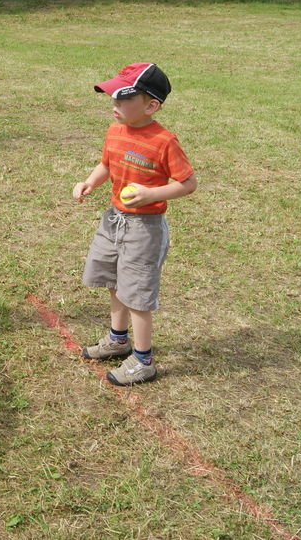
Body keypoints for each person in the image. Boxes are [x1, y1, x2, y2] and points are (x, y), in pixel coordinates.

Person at [72, 63, 197, 386]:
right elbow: (106, 164)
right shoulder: (115, 131)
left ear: (151, 106)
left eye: (124, 98)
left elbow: (188, 183)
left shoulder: (164, 141)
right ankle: (118, 339)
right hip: (114, 221)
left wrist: (151, 194)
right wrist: (89, 182)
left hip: (145, 229)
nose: (114, 103)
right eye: (113, 97)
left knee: (137, 294)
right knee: (114, 280)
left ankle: (143, 360)